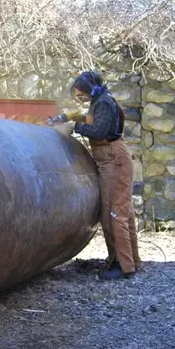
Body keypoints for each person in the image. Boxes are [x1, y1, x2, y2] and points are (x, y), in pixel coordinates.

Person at [56, 71, 141, 279]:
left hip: (113, 161)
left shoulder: (103, 103)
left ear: (90, 88)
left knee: (113, 213)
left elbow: (100, 131)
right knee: (123, 212)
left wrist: (73, 127)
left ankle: (121, 265)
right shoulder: (103, 101)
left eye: (81, 92)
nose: (80, 96)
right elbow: (97, 123)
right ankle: (131, 261)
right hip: (114, 159)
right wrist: (71, 117)